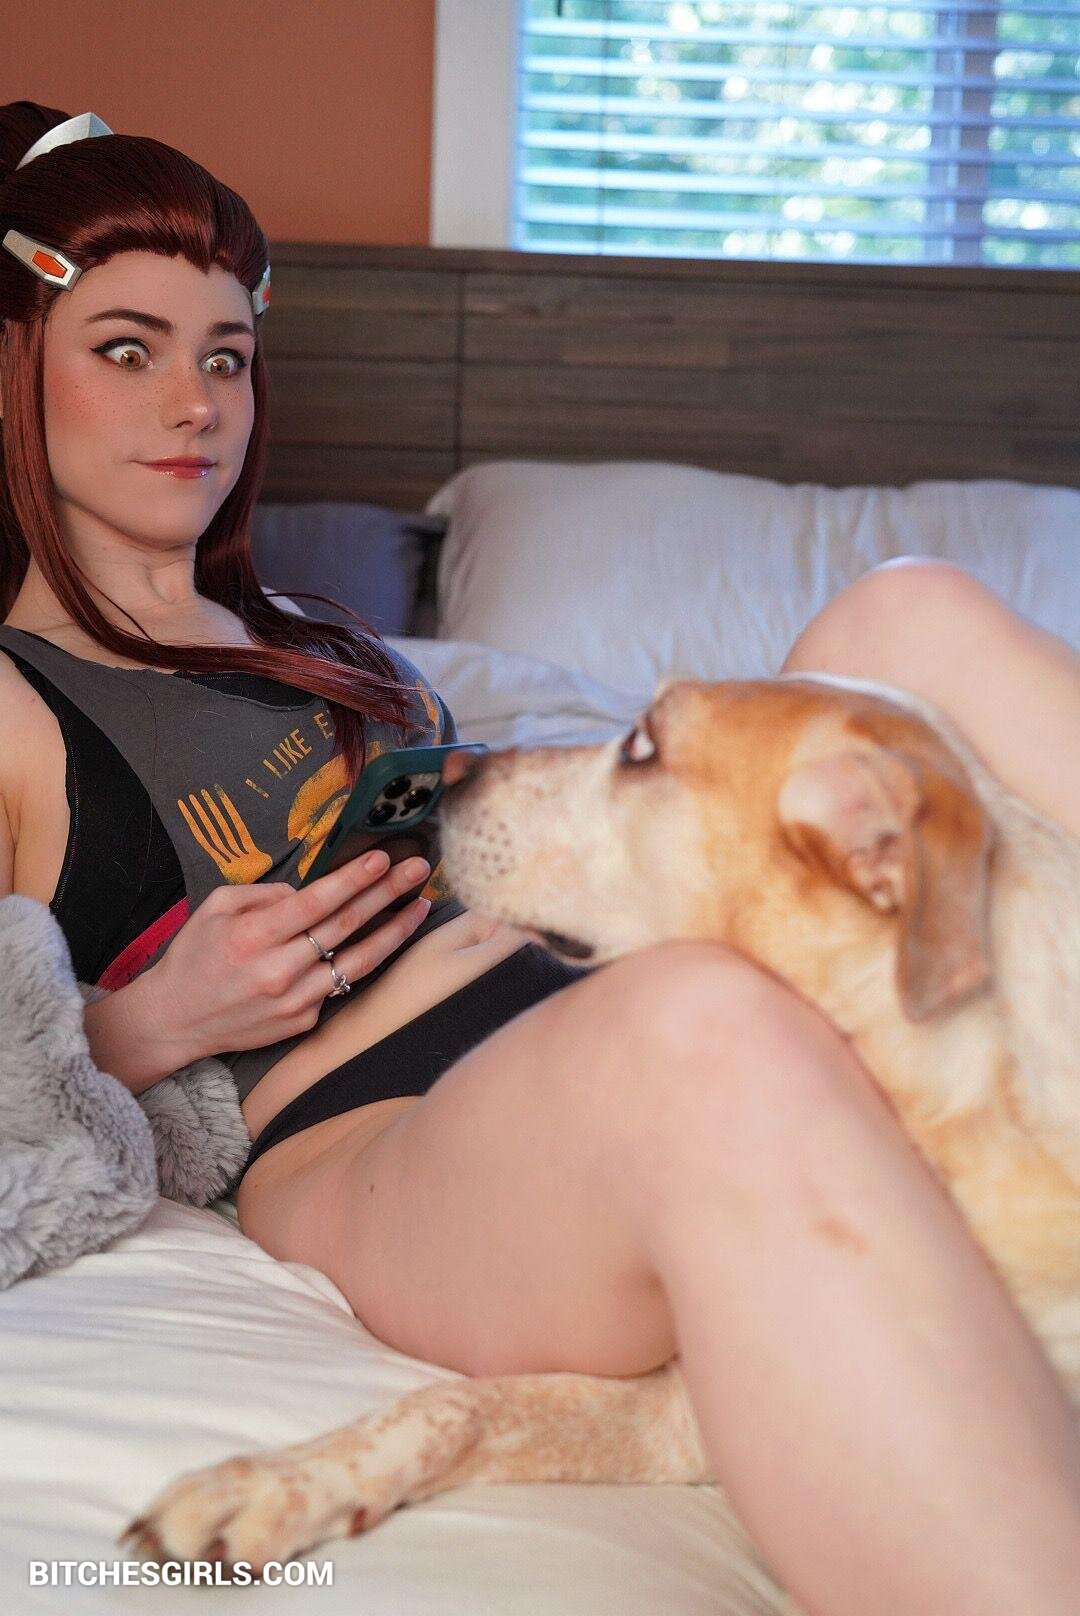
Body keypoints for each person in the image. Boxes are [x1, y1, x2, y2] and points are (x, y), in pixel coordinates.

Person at [1, 102, 1078, 1616]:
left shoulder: (327, 644)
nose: (194, 402)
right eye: (127, 350)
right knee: (701, 1023)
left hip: (599, 972)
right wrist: (150, 1023)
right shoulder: (11, 700)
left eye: (226, 357)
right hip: (378, 1132)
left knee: (906, 617)